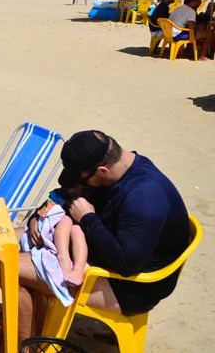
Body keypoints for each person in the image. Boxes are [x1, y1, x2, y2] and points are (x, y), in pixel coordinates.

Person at [17, 130, 190, 342]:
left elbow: (127, 264)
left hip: (131, 287)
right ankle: (31, 337)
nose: (83, 186)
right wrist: (39, 214)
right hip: (100, 254)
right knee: (6, 241)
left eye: (83, 179)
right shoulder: (119, 171)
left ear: (102, 170)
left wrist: (88, 218)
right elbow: (67, 195)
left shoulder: (144, 196)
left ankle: (29, 346)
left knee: (10, 265)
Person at [18, 187, 89, 307]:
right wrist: (33, 220)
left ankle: (70, 265)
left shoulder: (94, 198)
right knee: (4, 242)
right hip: (41, 238)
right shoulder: (62, 193)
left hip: (62, 251)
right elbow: (42, 209)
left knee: (73, 227)